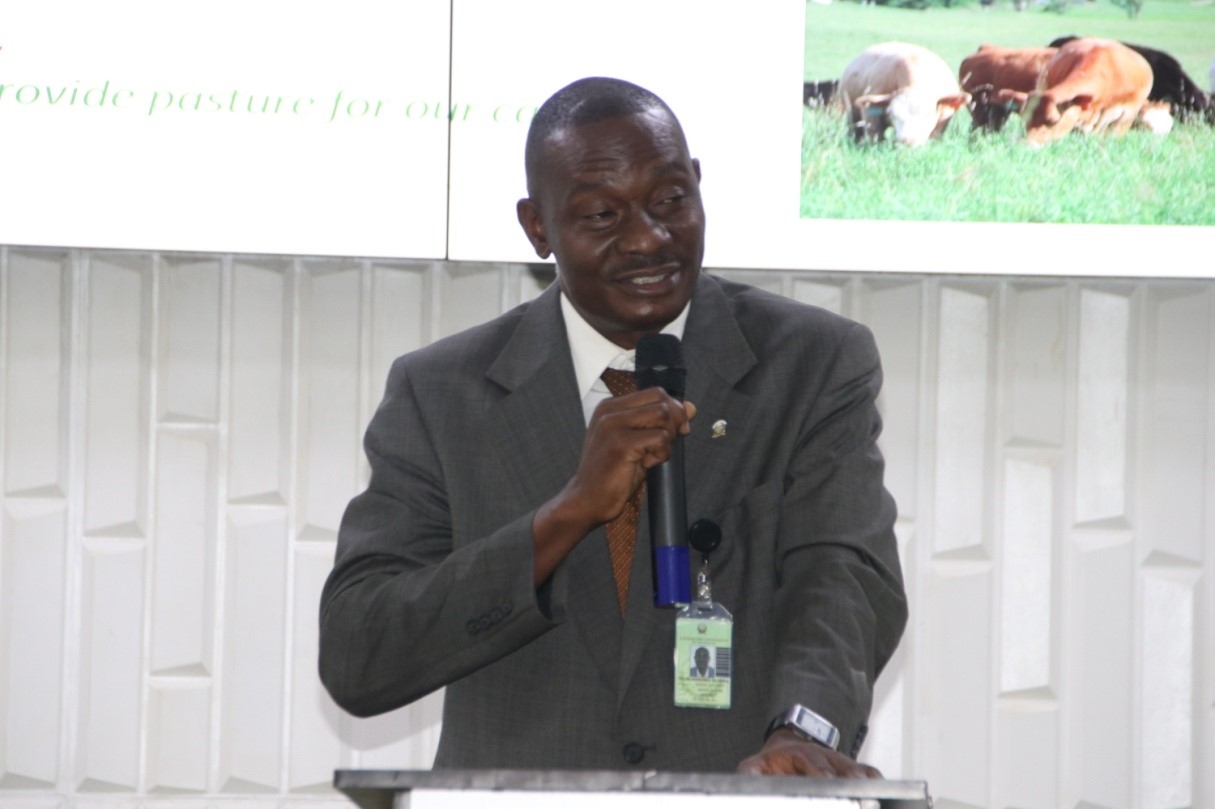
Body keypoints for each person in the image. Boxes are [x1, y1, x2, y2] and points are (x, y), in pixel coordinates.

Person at [319, 76, 907, 777]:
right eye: (602, 215)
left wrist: (805, 730)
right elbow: (360, 653)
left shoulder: (811, 362)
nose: (648, 238)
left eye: (669, 200)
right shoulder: (441, 392)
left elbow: (840, 574)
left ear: (696, 185)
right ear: (537, 226)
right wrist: (566, 513)